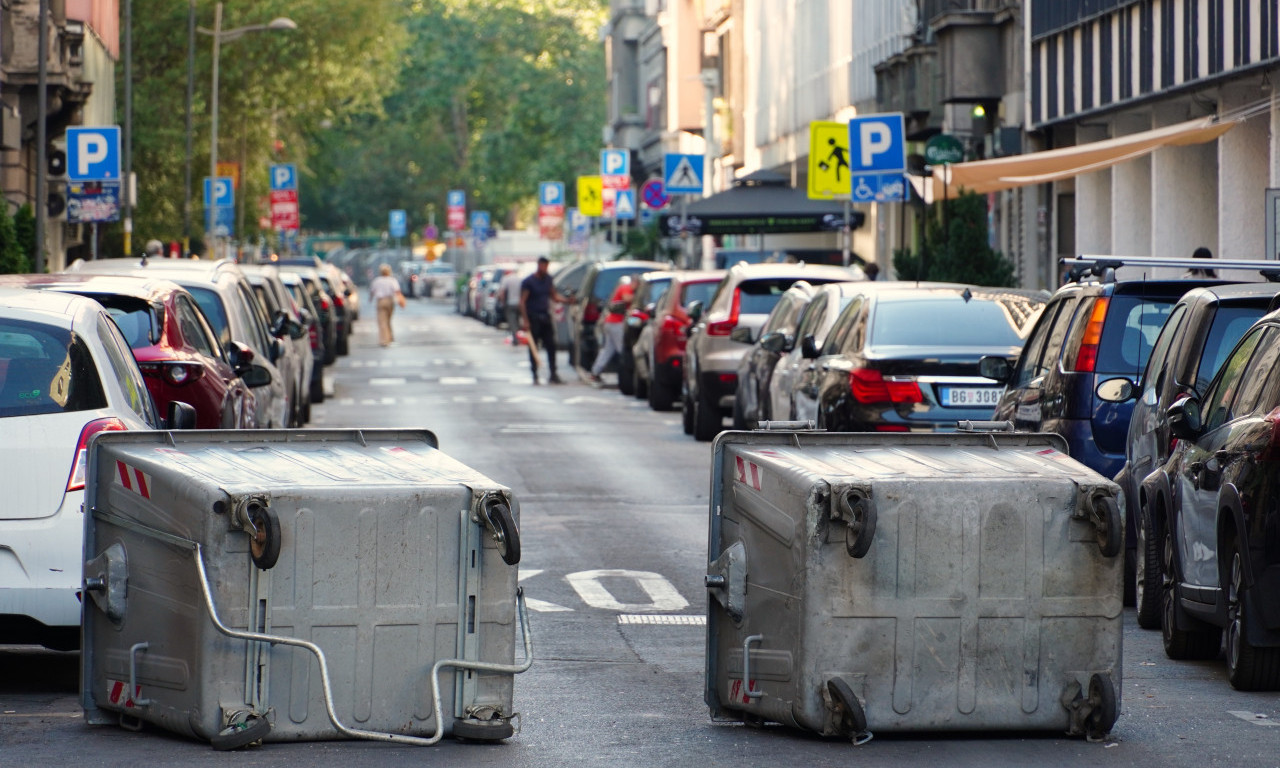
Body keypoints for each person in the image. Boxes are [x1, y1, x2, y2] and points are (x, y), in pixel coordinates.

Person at [519, 257, 573, 384]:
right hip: (533, 317)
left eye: (546, 266)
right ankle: (535, 374)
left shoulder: (548, 279)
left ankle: (553, 373)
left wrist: (567, 300)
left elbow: (554, 296)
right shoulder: (529, 282)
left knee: (551, 346)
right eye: (543, 266)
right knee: (534, 347)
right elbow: (522, 302)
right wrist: (525, 320)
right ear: (538, 265)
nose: (545, 269)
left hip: (545, 316)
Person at [588, 275, 634, 385]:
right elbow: (627, 298)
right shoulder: (626, 287)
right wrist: (637, 296)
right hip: (616, 323)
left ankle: (595, 372)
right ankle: (627, 376)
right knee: (621, 349)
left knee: (608, 349)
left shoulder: (622, 287)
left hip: (611, 322)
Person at [369, 264, 405, 347]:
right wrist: (401, 301)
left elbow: (372, 291)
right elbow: (397, 291)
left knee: (382, 321)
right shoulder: (392, 280)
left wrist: (370, 299)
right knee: (388, 320)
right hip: (390, 301)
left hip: (381, 301)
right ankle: (389, 337)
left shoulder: (377, 280)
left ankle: (384, 340)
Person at [500, 267, 525, 345]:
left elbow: (502, 292)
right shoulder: (519, 279)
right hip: (519, 303)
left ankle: (515, 339)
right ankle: (519, 336)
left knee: (512, 322)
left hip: (510, 303)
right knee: (517, 321)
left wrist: (503, 302)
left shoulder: (506, 279)